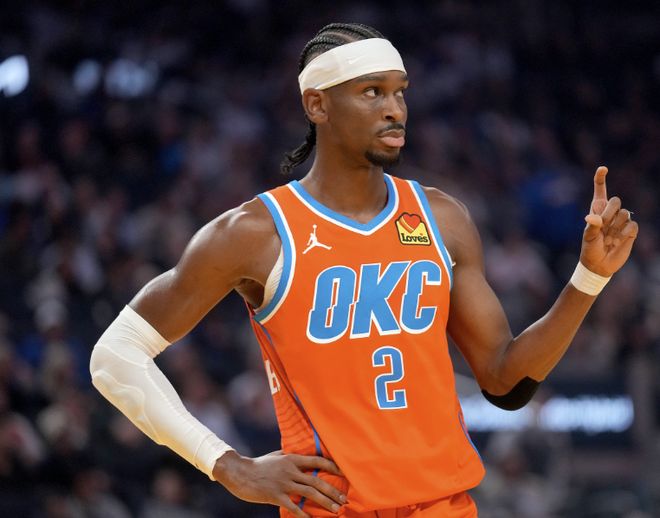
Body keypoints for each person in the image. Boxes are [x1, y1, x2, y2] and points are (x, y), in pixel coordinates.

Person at [89, 22, 639, 518]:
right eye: (372, 92)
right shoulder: (253, 232)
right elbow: (115, 357)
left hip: (444, 506)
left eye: (400, 92)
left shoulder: (442, 217)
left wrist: (588, 279)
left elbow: (505, 382)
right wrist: (227, 465)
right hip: (334, 508)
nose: (395, 109)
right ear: (317, 105)